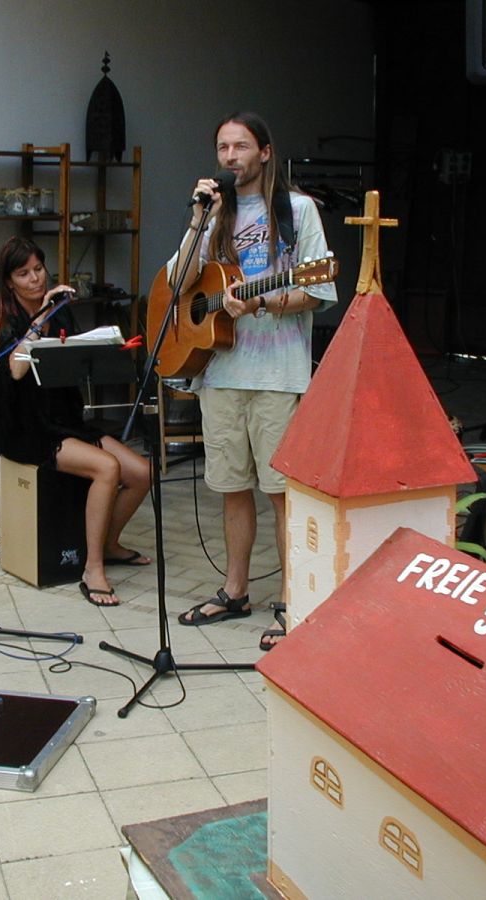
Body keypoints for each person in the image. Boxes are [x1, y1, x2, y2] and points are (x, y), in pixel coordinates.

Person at [169, 112, 337, 649]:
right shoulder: (212, 214)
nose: (230, 157)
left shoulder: (297, 210)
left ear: (265, 152)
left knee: (281, 493)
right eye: (223, 147)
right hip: (220, 371)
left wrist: (263, 301)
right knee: (231, 488)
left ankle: (291, 602)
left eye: (240, 146)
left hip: (276, 375)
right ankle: (235, 590)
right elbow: (178, 283)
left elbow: (318, 289)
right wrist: (199, 219)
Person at [0, 236, 152, 607]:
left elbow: (75, 363)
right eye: (24, 273)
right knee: (107, 468)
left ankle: (108, 544)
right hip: (27, 428)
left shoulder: (60, 311)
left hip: (64, 420)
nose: (35, 278)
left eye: (38, 269)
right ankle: (93, 569)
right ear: (9, 281)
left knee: (142, 473)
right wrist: (41, 319)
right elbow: (16, 370)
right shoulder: (6, 320)